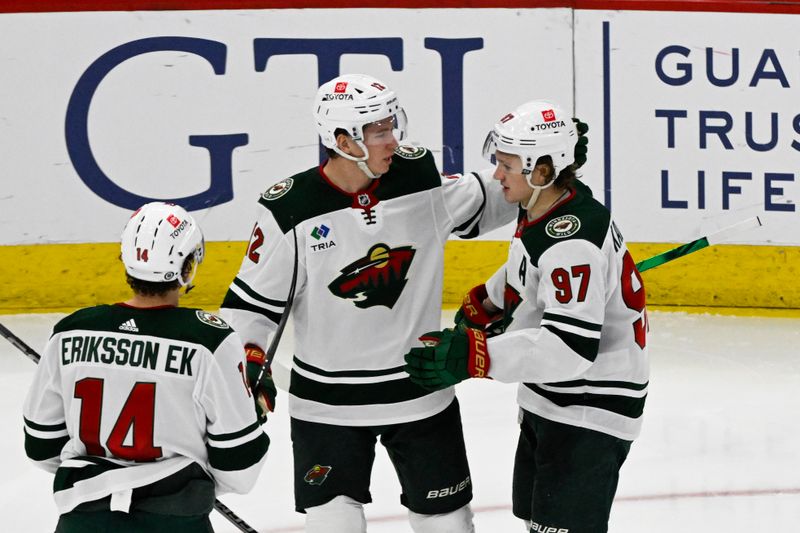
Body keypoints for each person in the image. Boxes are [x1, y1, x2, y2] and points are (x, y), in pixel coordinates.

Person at [404, 100, 648, 533]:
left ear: (542, 172)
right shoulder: (549, 207)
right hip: (551, 399)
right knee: (537, 521)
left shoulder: (573, 244)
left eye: (507, 164)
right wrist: (492, 299)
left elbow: (570, 349)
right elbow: (529, 265)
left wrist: (477, 356)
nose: (497, 174)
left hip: (589, 409)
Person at [23, 202, 271, 533]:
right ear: (187, 268)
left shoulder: (72, 331)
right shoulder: (209, 340)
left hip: (82, 522)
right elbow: (240, 467)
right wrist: (253, 407)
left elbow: (41, 446)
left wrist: (104, 478)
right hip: (175, 521)